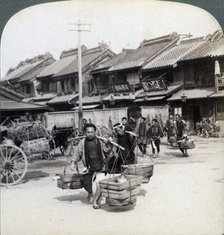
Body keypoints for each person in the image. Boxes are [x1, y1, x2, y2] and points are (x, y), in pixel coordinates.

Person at [70, 123, 113, 209]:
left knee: (100, 184)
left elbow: (107, 150)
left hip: (100, 166)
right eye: (88, 132)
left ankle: (95, 201)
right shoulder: (82, 143)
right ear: (85, 133)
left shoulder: (100, 141)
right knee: (87, 184)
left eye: (92, 132)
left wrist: (108, 143)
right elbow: (77, 153)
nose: (90, 134)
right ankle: (91, 194)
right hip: (88, 167)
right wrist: (73, 162)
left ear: (95, 132)